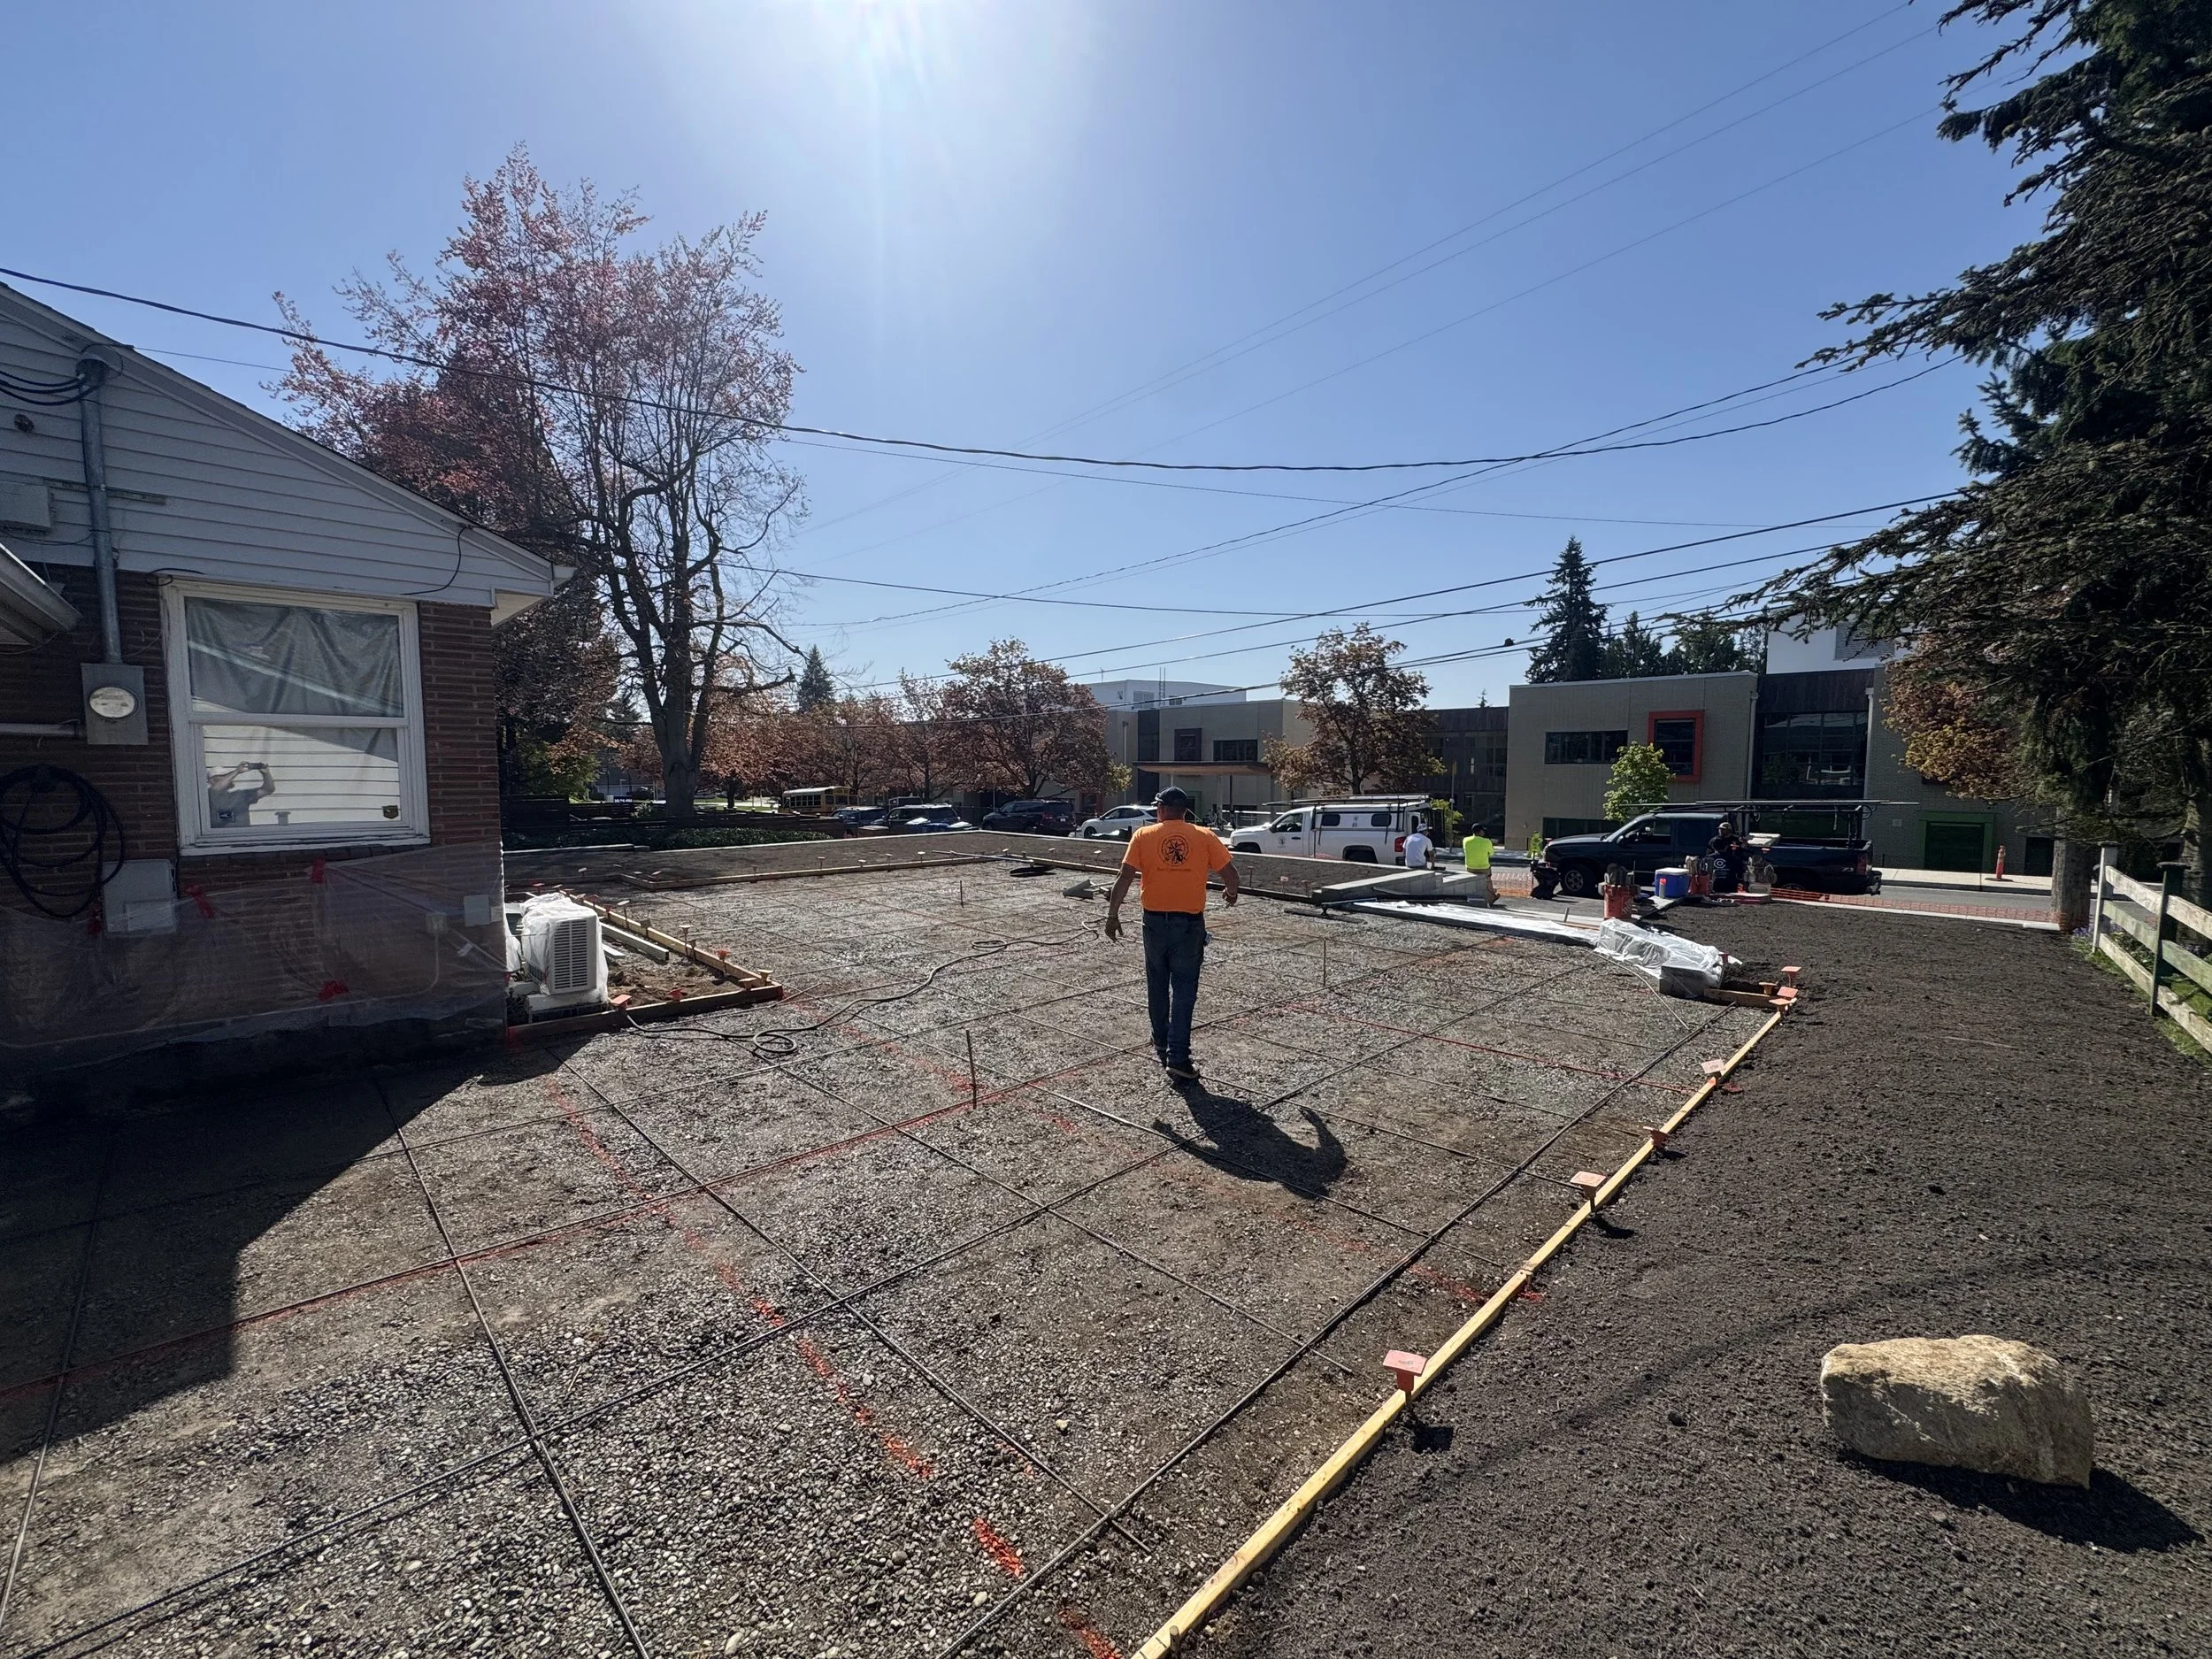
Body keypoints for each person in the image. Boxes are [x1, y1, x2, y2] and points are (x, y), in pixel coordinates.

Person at [1104, 787, 1240, 1080]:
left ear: (1162, 809)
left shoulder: (1144, 836)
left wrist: (1112, 915)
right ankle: (1178, 1057)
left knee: (1157, 982)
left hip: (1153, 923)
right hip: (1189, 925)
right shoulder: (1203, 836)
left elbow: (1124, 877)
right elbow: (1231, 874)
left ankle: (1162, 1040)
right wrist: (1231, 893)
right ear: (1185, 811)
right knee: (1184, 989)